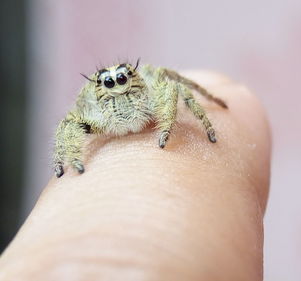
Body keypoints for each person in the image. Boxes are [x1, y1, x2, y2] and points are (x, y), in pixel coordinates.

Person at [0, 71, 271, 281]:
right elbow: (71, 121)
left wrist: (172, 126)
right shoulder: (92, 117)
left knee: (170, 82)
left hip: (155, 113)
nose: (117, 86)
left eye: (123, 79)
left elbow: (175, 87)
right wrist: (67, 160)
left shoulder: (154, 93)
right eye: (107, 84)